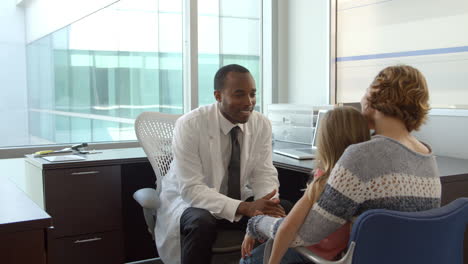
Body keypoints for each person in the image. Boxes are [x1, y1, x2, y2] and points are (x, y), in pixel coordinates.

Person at [241, 65, 442, 264]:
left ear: (377, 96)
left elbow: (305, 235)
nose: (362, 99)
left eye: (366, 91)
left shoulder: (360, 156)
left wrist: (256, 223)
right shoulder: (426, 155)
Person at [155, 64, 291, 264]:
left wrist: (266, 206)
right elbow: (192, 189)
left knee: (284, 209)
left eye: (253, 94)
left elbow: (263, 173)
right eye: (239, 95)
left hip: (237, 198)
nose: (249, 102)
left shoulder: (261, 123)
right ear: (218, 96)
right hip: (190, 202)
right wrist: (246, 208)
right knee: (201, 222)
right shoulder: (190, 124)